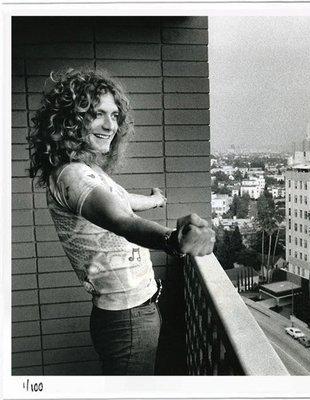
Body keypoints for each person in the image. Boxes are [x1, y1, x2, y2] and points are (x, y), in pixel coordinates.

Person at [28, 69, 215, 375]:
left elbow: (122, 200)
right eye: (97, 114)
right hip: (127, 318)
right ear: (69, 120)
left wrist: (154, 200)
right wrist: (173, 240)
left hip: (130, 313)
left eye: (114, 115)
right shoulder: (72, 175)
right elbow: (120, 220)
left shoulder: (84, 170)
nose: (110, 125)